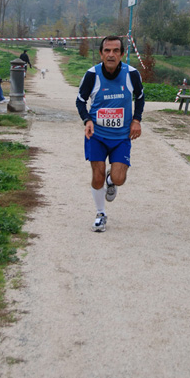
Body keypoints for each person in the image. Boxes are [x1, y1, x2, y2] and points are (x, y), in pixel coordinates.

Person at [76, 36, 145, 232]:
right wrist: (87, 120)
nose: (111, 54)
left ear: (122, 54)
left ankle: (111, 180)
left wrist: (137, 120)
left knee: (119, 178)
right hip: (96, 135)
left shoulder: (132, 74)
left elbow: (140, 98)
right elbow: (80, 101)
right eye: (107, 50)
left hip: (121, 137)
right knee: (96, 176)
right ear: (101, 53)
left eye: (116, 51)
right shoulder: (92, 75)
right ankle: (100, 214)